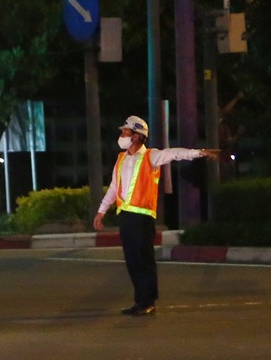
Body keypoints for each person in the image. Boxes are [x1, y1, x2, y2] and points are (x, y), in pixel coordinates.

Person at [91, 115, 215, 316]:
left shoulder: (151, 156)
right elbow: (114, 187)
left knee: (144, 260)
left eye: (125, 132)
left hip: (142, 219)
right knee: (132, 260)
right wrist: (101, 211)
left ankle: (148, 301)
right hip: (126, 217)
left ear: (137, 136)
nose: (121, 135)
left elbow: (174, 153)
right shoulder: (121, 158)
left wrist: (198, 153)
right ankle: (139, 301)